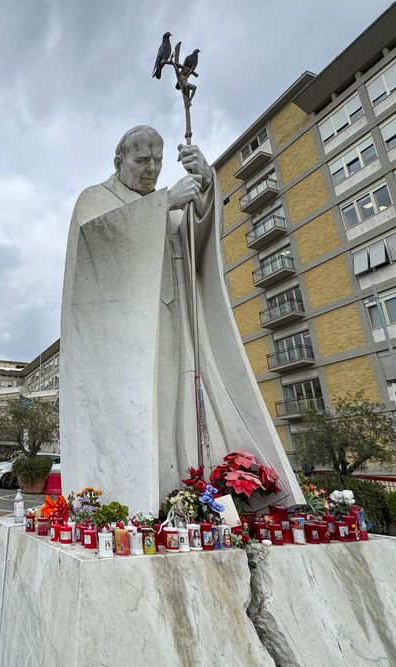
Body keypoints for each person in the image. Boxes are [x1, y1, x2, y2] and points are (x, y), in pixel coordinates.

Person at [59, 125, 303, 512]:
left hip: (178, 324)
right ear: (118, 161)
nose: (151, 169)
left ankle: (183, 498)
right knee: (145, 415)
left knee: (179, 415)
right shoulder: (96, 199)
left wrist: (206, 189)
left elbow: (198, 243)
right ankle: (134, 505)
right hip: (127, 337)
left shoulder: (165, 203)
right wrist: (164, 204)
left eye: (157, 160)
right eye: (142, 160)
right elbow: (97, 243)